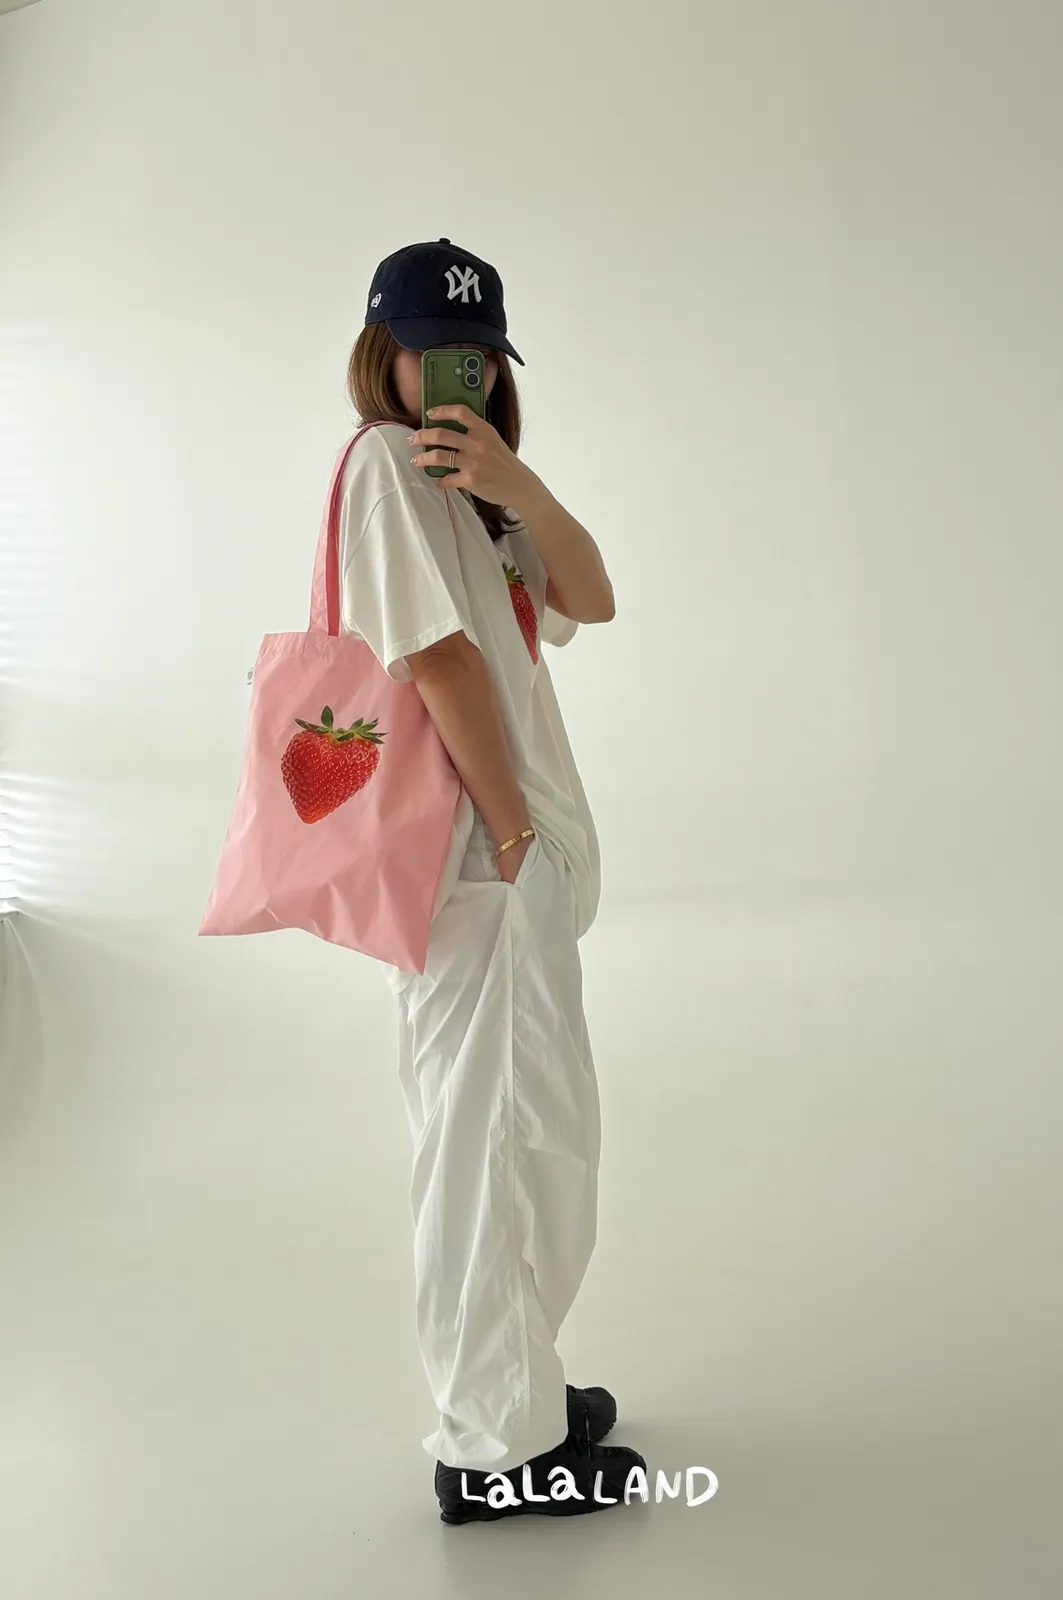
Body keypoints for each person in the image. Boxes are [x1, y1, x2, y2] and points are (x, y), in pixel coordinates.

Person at [337, 239, 644, 1524]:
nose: (456, 372)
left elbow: (593, 597)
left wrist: (515, 481)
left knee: (533, 1140)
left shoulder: (470, 493)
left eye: (478, 355)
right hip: (482, 863)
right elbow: (440, 659)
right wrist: (513, 839)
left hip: (512, 866)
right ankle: (493, 1449)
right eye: (431, 350)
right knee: (493, 1148)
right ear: (384, 354)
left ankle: (519, 1392)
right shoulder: (383, 467)